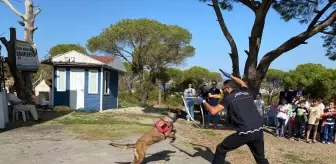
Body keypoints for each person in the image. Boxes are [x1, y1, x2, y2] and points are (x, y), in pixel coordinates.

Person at [197, 70, 269, 164]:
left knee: (221, 149)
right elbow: (242, 83)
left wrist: (203, 101)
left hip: (245, 132)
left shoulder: (229, 98)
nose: (223, 91)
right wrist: (231, 76)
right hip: (259, 129)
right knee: (260, 158)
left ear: (228, 88)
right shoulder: (246, 91)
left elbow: (213, 111)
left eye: (223, 89)